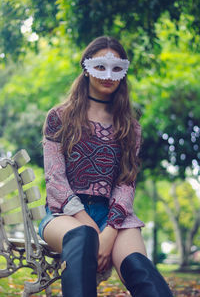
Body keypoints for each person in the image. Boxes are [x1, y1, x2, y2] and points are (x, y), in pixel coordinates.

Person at [38, 36, 173, 297]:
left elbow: (126, 182)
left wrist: (110, 230)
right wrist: (89, 226)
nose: (108, 75)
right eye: (100, 66)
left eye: (116, 68)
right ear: (86, 68)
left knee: (139, 267)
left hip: (115, 217)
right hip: (63, 214)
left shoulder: (130, 126)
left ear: (123, 73)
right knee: (82, 237)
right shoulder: (59, 117)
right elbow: (55, 179)